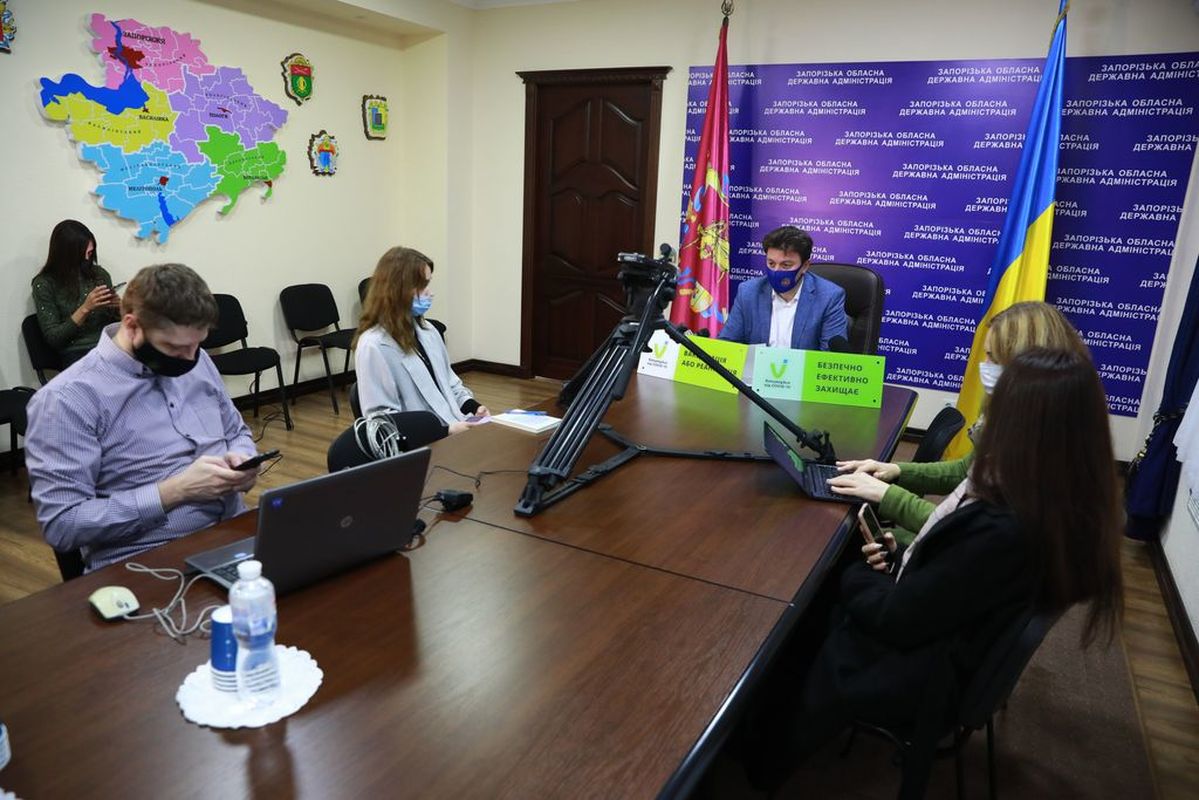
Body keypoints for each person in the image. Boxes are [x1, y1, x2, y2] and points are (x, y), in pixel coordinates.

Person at [756, 349, 1123, 791]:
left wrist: (855, 571)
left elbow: (896, 618)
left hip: (919, 674)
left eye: (995, 414)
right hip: (948, 643)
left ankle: (762, 757)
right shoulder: (1055, 501)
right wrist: (901, 558)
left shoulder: (999, 527)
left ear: (1022, 428)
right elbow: (952, 585)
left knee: (809, 601)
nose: (981, 427)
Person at [25, 263, 259, 572]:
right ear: (132, 326)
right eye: (174, 347)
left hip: (233, 531)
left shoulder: (196, 358)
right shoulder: (67, 400)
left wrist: (244, 459)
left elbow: (236, 431)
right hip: (148, 561)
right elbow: (63, 525)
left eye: (197, 344)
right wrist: (176, 491)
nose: (191, 359)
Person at [828, 301, 1090, 540]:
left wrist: (887, 495)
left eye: (994, 358)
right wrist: (895, 470)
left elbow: (968, 532)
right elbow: (965, 471)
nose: (985, 365)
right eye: (987, 354)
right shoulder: (1011, 411)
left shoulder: (1040, 449)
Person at [354, 246, 489, 426]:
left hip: (455, 427)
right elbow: (382, 421)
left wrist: (473, 407)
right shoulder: (374, 346)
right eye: (423, 285)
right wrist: (445, 432)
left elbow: (451, 384)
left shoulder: (428, 330)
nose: (430, 292)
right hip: (423, 440)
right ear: (398, 289)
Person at [718, 225, 848, 350]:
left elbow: (830, 358)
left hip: (803, 367)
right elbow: (727, 345)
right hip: (756, 366)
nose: (776, 270)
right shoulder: (748, 292)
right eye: (771, 263)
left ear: (805, 266)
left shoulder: (829, 297)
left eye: (786, 265)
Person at [31, 219, 122, 365]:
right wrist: (85, 308)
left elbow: (114, 324)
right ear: (66, 253)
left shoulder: (99, 274)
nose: (87, 258)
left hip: (108, 343)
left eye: (90, 253)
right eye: (82, 253)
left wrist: (120, 308)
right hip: (77, 351)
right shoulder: (44, 283)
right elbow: (54, 338)